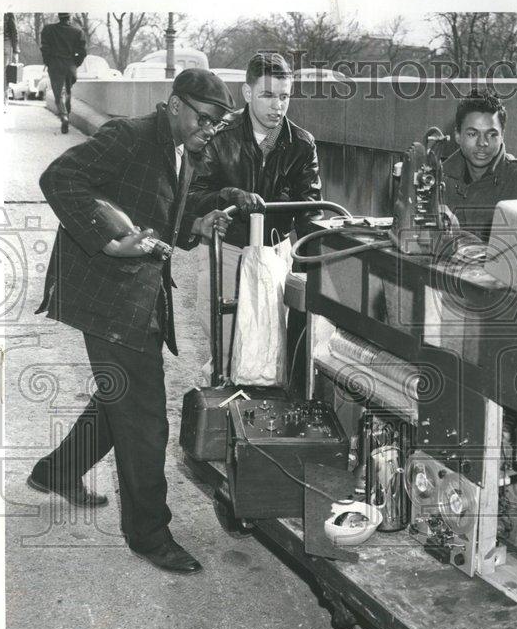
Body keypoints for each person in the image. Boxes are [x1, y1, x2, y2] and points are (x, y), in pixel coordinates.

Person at [28, 69, 235, 575]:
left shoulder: (184, 148)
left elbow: (160, 222)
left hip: (139, 295)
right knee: (144, 418)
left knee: (121, 396)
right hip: (106, 293)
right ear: (174, 104)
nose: (209, 130)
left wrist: (196, 226)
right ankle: (149, 534)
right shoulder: (130, 135)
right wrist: (107, 239)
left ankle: (57, 470)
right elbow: (59, 179)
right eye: (204, 119)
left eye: (217, 124)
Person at [188, 52, 324, 248]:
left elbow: (310, 212)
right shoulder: (218, 135)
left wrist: (314, 268)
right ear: (248, 93)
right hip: (224, 248)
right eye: (268, 95)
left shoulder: (302, 144)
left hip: (276, 250)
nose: (278, 106)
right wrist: (229, 195)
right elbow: (191, 196)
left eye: (284, 96)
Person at [441, 89, 517, 242]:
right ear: (458, 135)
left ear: (502, 135)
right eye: (472, 134)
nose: (482, 143)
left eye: (492, 134)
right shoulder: (440, 178)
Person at [39, 13, 87, 134]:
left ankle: (64, 116)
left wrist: (48, 61)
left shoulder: (49, 29)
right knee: (68, 91)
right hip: (70, 65)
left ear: (59, 17)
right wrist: (75, 63)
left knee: (58, 94)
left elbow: (45, 48)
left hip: (55, 64)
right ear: (69, 18)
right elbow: (82, 52)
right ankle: (67, 114)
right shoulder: (78, 32)